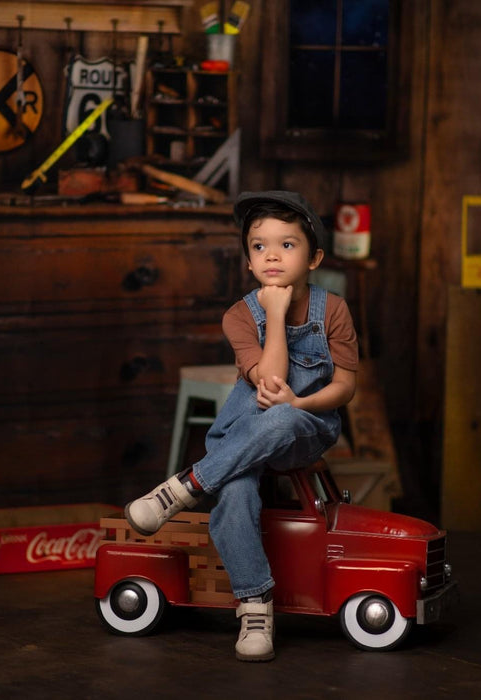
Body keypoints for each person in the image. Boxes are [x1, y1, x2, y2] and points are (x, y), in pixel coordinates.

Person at [124, 190, 359, 662]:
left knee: (284, 416)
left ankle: (187, 485)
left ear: (314, 258)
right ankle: (254, 606)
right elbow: (269, 379)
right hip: (243, 433)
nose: (272, 255)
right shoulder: (239, 316)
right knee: (234, 491)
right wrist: (274, 313)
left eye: (287, 245)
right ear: (249, 261)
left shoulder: (332, 310)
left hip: (306, 430)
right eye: (259, 246)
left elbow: (346, 386)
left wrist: (300, 402)